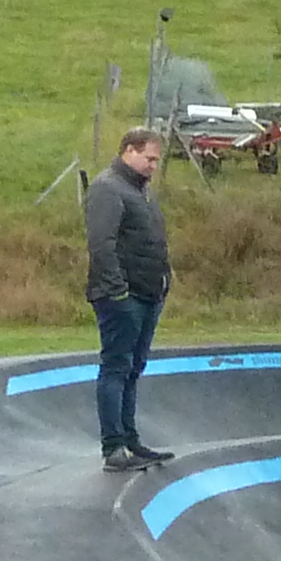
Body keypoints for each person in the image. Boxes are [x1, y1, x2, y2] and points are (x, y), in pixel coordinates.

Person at [82, 127, 173, 472]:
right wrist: (117, 290)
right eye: (149, 158)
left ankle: (130, 439)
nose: (153, 166)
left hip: (149, 293)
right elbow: (101, 244)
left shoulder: (141, 191)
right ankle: (114, 447)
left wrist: (163, 282)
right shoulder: (107, 188)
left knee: (134, 368)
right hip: (122, 296)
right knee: (116, 367)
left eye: (156, 160)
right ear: (129, 151)